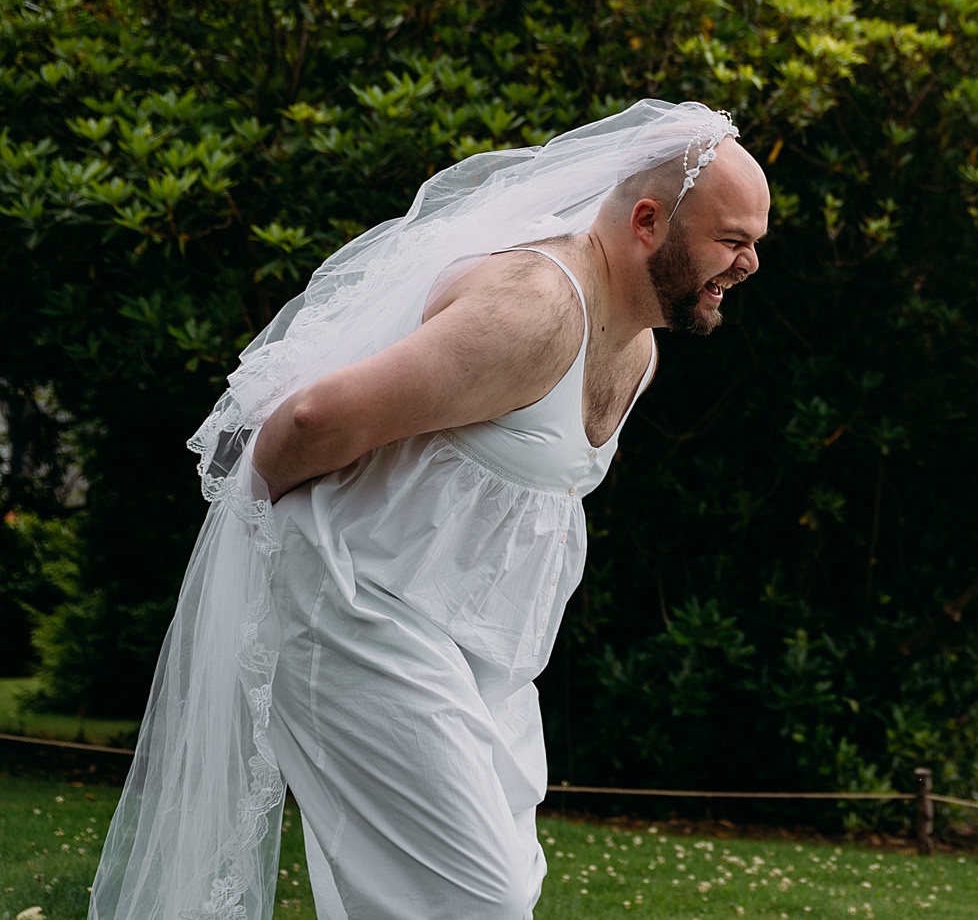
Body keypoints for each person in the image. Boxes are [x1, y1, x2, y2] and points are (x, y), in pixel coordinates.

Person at [90, 101, 769, 920]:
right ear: (648, 221)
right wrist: (261, 544)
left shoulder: (640, 349)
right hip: (358, 611)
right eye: (733, 239)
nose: (749, 262)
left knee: (504, 887)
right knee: (475, 898)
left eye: (755, 242)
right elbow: (309, 421)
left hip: (484, 648)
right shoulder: (535, 307)